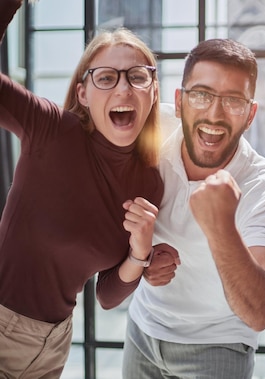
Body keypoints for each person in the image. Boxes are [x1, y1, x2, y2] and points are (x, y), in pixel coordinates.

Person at [0, 1, 164, 377]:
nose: (124, 87)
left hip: (55, 345)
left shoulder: (148, 181)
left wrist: (141, 250)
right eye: (106, 78)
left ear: (153, 91)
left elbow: (106, 295)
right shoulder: (54, 130)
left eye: (137, 76)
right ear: (84, 94)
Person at [121, 38, 265, 379]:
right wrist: (140, 258)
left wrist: (221, 227)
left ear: (251, 114)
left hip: (220, 345)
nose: (214, 114)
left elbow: (261, 313)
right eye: (201, 95)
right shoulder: (150, 132)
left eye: (233, 100)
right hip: (143, 329)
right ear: (179, 101)